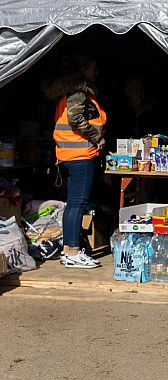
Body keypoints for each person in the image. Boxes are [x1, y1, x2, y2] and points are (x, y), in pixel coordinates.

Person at [44, 53, 106, 268]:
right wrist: (96, 136)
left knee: (73, 204)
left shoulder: (69, 93)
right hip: (80, 157)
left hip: (70, 156)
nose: (96, 72)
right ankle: (72, 251)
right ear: (83, 71)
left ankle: (69, 250)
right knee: (77, 204)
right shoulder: (78, 93)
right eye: (92, 68)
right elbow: (75, 118)